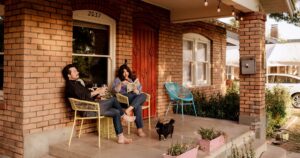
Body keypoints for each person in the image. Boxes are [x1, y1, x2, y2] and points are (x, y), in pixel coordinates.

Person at [62, 64, 134, 144]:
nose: (77, 72)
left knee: (116, 112)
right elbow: (84, 96)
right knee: (113, 100)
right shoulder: (70, 86)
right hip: (88, 110)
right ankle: (124, 116)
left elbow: (86, 95)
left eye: (77, 70)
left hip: (92, 107)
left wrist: (98, 94)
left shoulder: (77, 83)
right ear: (69, 75)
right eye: (74, 71)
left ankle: (121, 138)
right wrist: (98, 91)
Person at [112, 61, 147, 137]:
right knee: (138, 105)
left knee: (143, 95)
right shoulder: (117, 79)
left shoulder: (132, 79)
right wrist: (121, 84)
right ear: (121, 73)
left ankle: (128, 109)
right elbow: (115, 91)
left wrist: (136, 90)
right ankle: (139, 130)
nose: (125, 73)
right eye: (123, 72)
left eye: (127, 71)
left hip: (133, 97)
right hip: (124, 98)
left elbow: (138, 91)